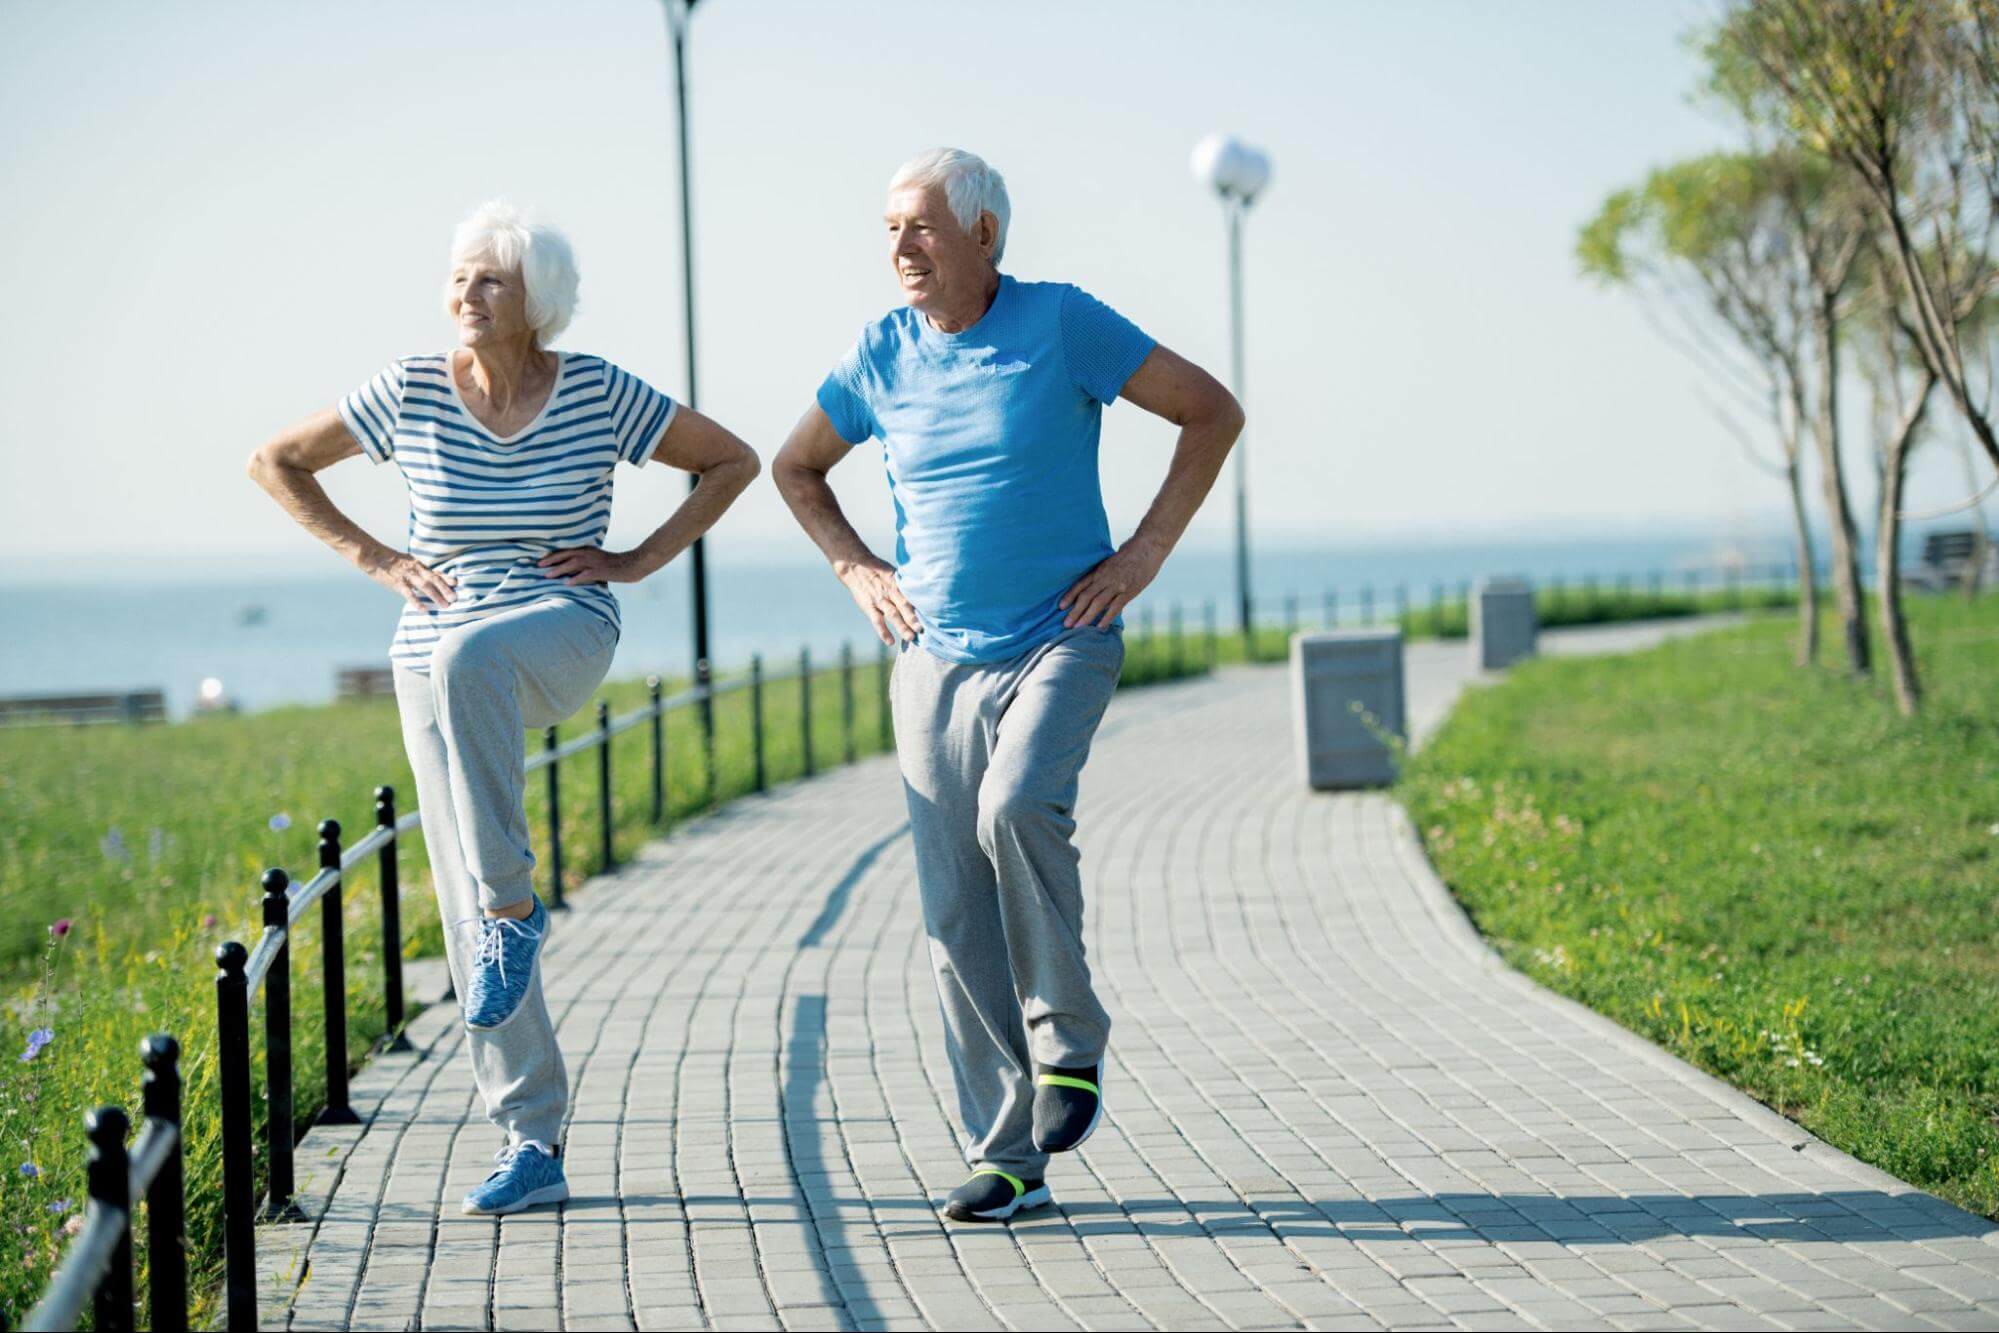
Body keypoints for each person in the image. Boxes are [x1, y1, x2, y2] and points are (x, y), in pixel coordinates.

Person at [248, 200, 759, 1215]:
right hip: (427, 653)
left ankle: (515, 908)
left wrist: (636, 559)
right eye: (457, 276)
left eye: (489, 278)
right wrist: (379, 558)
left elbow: (731, 459)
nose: (465, 293)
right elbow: (277, 461)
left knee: (479, 672)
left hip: (558, 626)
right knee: (463, 900)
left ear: (538, 298)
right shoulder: (409, 391)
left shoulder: (598, 392)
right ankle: (532, 1137)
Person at [773, 149, 1243, 1222]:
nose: (901, 248)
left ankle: (1067, 1041)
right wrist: (857, 568)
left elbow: (1209, 410)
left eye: (922, 227)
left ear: (984, 235)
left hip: (1059, 636)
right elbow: (795, 467)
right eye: (890, 228)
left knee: (1017, 804)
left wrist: (1143, 555)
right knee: (953, 913)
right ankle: (1007, 1154)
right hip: (931, 654)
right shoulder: (880, 352)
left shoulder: (1062, 323)